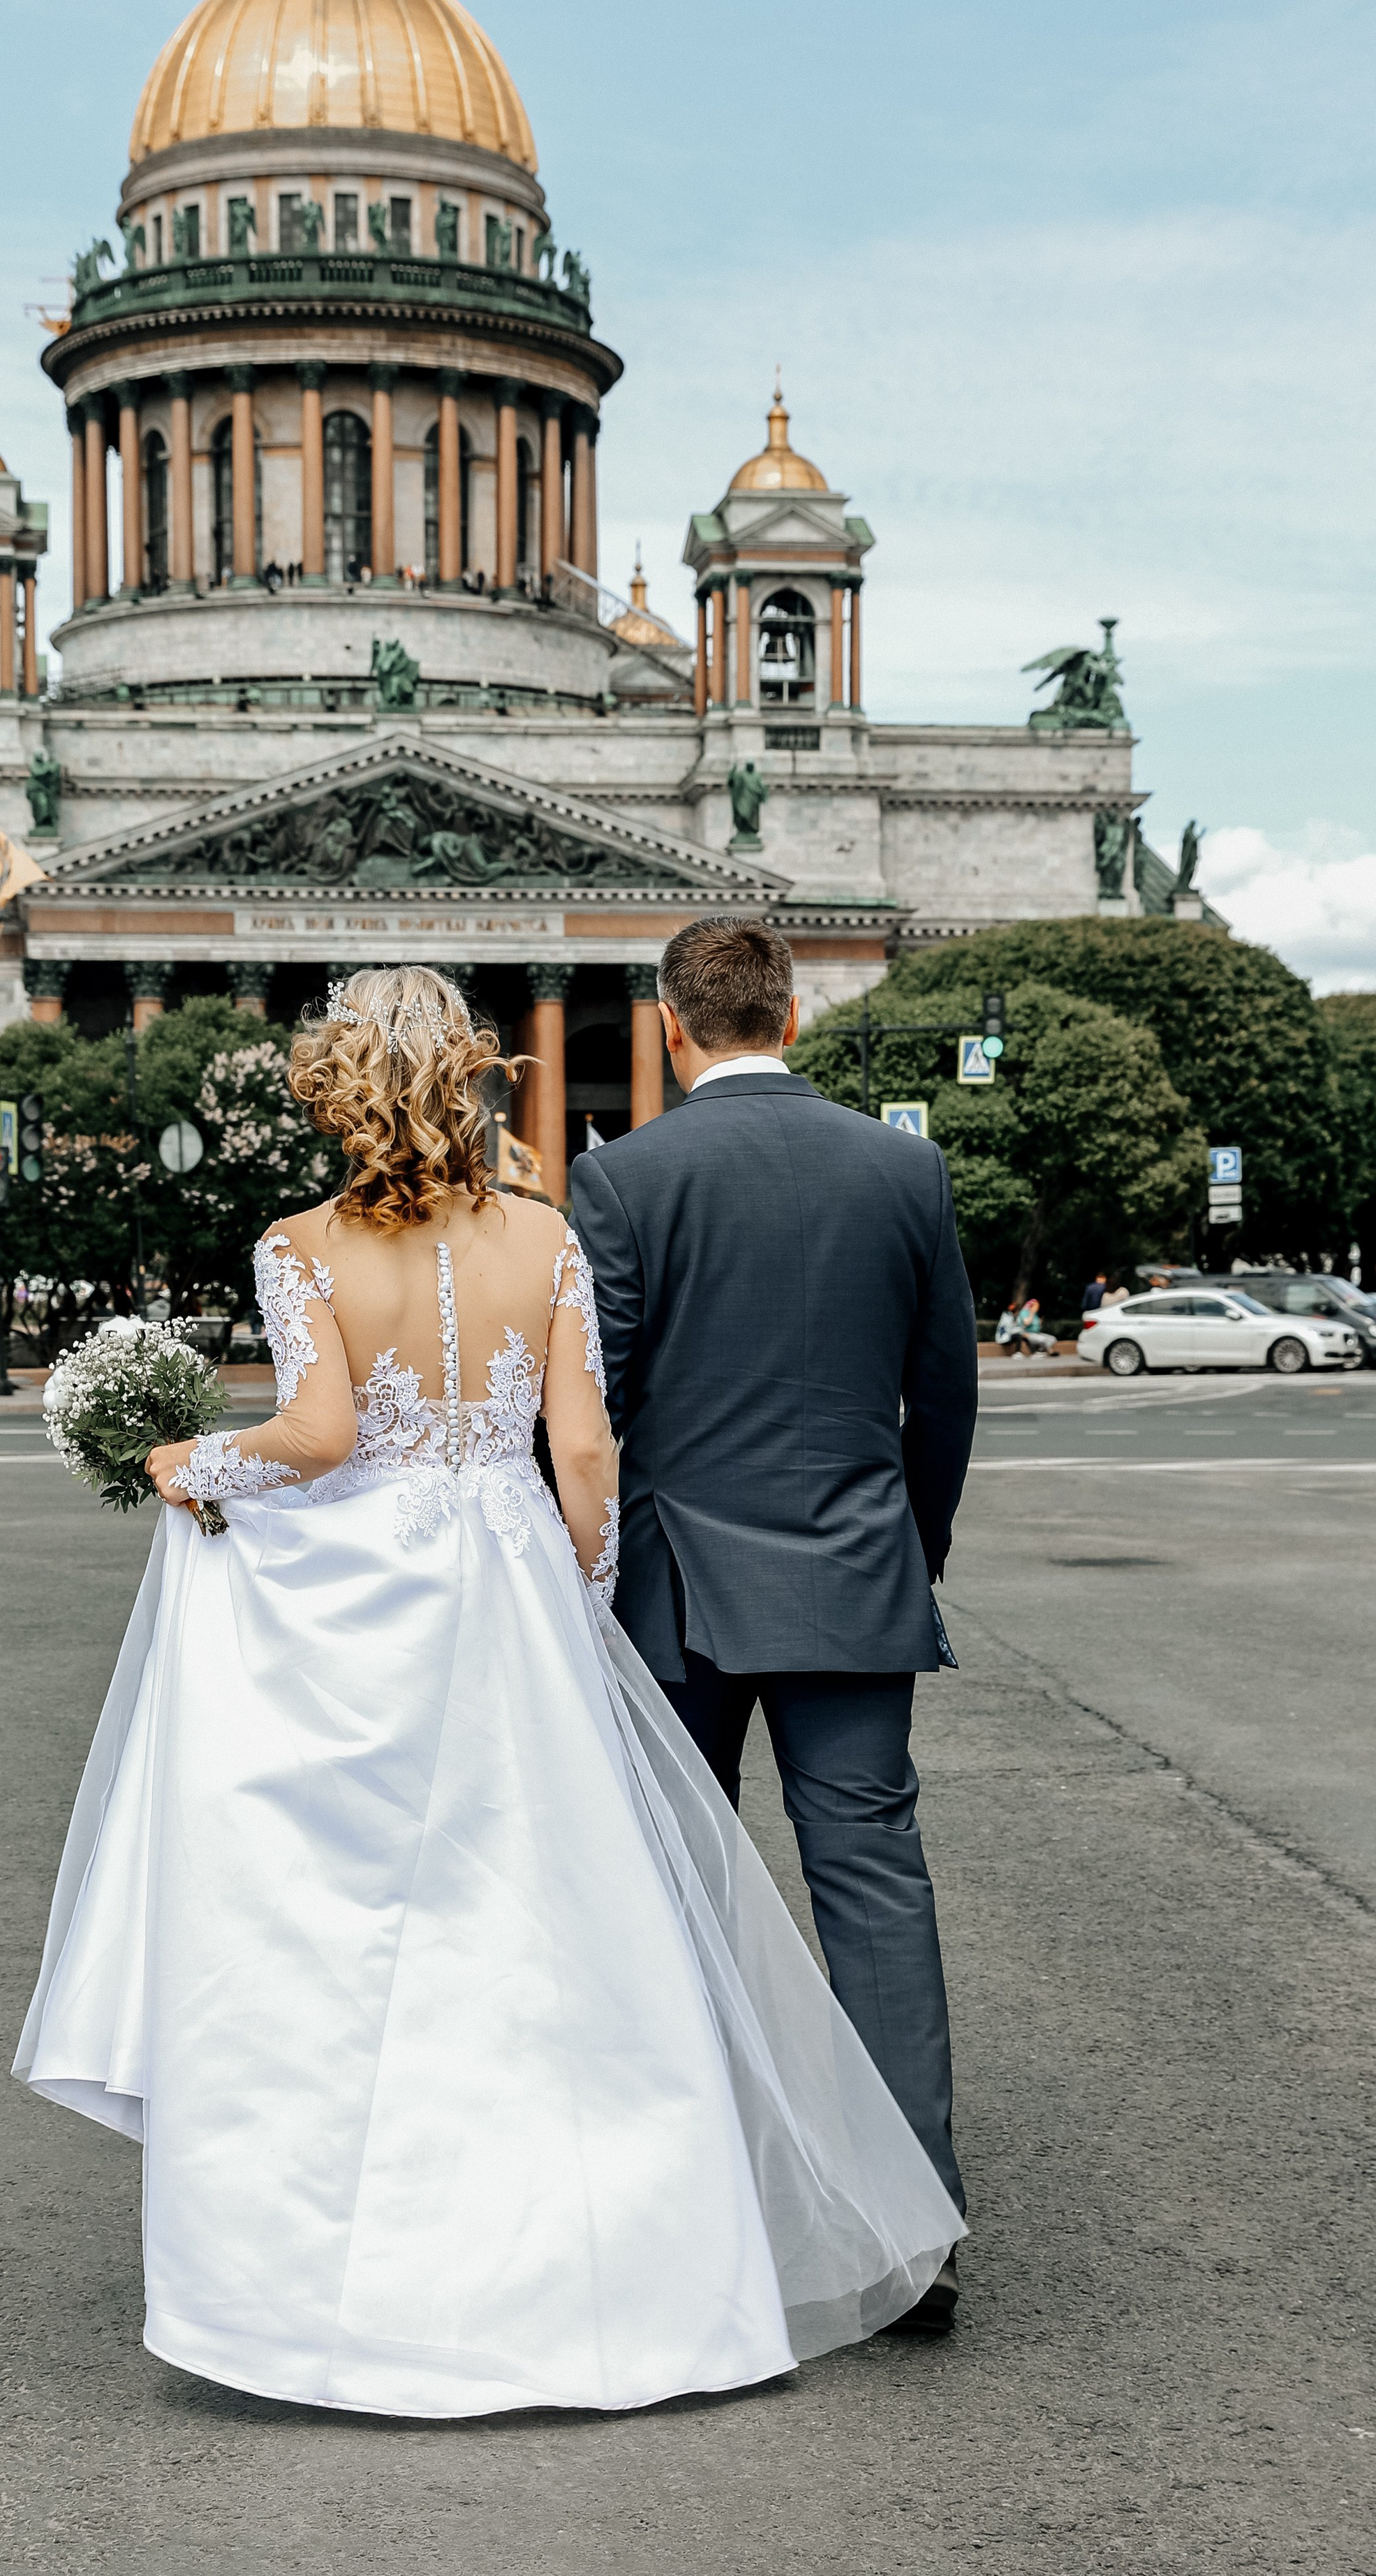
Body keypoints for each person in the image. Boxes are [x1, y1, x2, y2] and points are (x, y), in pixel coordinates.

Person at [17, 964, 961, 2418]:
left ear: (336, 1087)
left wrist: (181, 1464)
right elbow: (585, 1452)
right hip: (524, 1579)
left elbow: (321, 1435)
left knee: (352, 1917)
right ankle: (638, 2251)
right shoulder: (545, 1232)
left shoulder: (303, 1242)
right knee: (564, 1916)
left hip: (370, 1605)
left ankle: (348, 2267)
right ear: (466, 1078)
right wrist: (579, 1599)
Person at [570, 917, 976, 2332]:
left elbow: (596, 1409)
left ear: (674, 1027)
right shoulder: (902, 1165)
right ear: (790, 1018)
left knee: (683, 1887)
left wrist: (582, 1578)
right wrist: (899, 1551)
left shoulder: (621, 1175)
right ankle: (911, 2227)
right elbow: (942, 1396)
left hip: (679, 1592)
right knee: (873, 1886)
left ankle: (708, 2206)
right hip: (856, 1575)